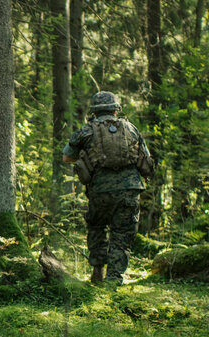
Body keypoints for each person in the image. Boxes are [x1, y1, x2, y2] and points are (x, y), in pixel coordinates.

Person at [63, 91, 153, 285]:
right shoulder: (131, 128)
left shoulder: (86, 130)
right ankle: (113, 280)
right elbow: (145, 158)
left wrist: (86, 158)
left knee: (96, 227)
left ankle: (97, 272)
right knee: (122, 234)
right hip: (130, 189)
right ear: (115, 109)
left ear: (94, 111)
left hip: (99, 191)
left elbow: (66, 156)